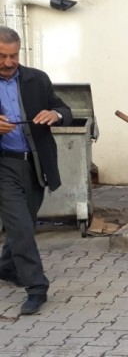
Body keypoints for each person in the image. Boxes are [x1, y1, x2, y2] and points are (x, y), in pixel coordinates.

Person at [0, 26, 72, 315]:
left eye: (13, 56)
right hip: (4, 163)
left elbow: (64, 109)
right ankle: (36, 286)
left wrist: (55, 114)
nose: (7, 63)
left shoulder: (37, 79)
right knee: (19, 225)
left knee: (25, 224)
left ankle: (6, 267)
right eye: (2, 56)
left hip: (36, 164)